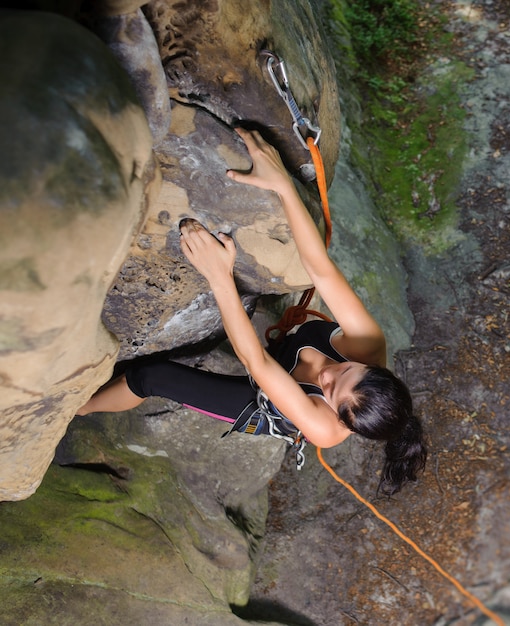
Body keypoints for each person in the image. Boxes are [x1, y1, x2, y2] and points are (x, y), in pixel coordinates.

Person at [78, 128, 427, 494]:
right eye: (345, 370)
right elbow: (321, 270)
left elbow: (256, 363)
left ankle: (81, 408)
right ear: (371, 365)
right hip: (280, 360)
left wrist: (219, 275)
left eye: (331, 391)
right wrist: (282, 186)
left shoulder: (324, 428)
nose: (328, 375)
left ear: (341, 418)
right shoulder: (368, 341)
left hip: (267, 400)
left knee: (151, 377)